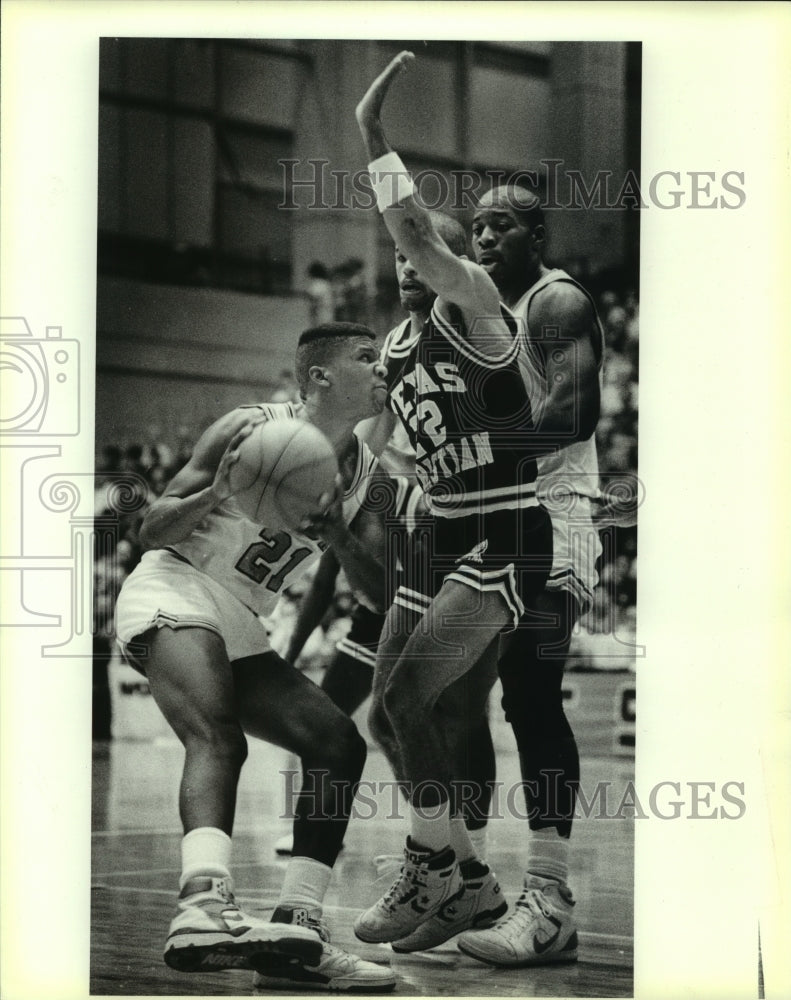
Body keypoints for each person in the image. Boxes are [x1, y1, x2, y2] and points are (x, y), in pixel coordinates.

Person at [114, 322, 397, 992]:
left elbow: (382, 589)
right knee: (218, 737)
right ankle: (202, 905)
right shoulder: (247, 424)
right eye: (366, 358)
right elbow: (149, 527)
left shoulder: (368, 476)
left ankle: (296, 928)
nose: (382, 368)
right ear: (319, 378)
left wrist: (336, 533)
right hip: (173, 583)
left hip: (239, 618)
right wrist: (221, 491)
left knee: (337, 742)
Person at [350, 51, 553, 952]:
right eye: (395, 251)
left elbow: (421, 235)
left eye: (416, 245)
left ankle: (432, 863)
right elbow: (398, 451)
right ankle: (465, 878)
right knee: (387, 711)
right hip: (433, 532)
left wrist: (372, 137)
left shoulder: (473, 302)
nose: (404, 257)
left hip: (504, 525)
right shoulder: (388, 349)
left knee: (412, 700)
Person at [453, 184, 607, 966]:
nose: (484, 237)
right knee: (453, 692)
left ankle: (548, 899)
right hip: (497, 514)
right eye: (476, 226)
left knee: (530, 688)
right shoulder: (479, 318)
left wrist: (466, 450)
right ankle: (463, 874)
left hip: (558, 506)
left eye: (500, 225)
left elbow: (572, 417)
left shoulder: (555, 304)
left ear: (536, 233)